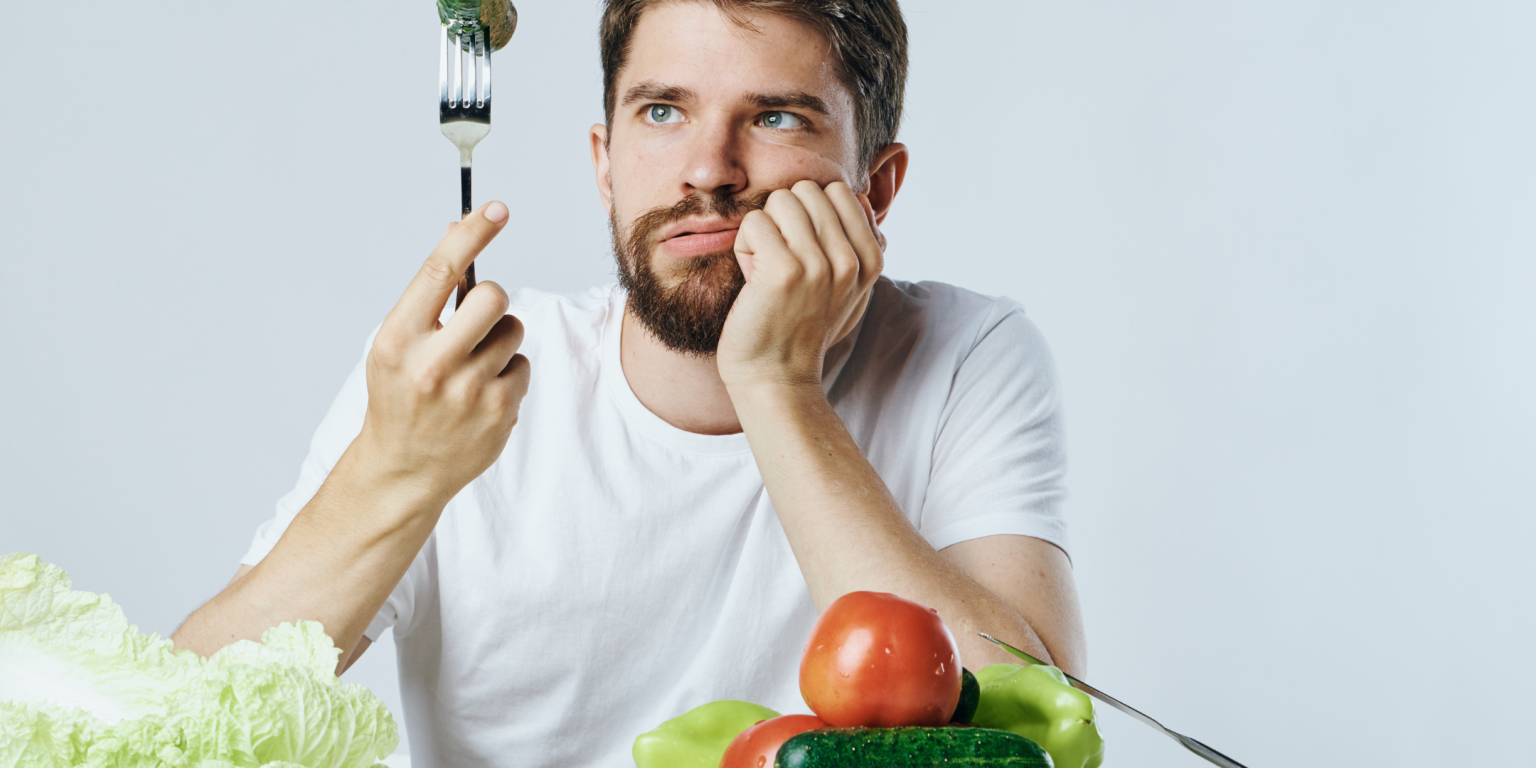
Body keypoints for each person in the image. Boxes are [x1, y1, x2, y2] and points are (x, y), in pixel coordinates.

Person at [172, 1, 1086, 765]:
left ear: (875, 190)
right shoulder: (460, 377)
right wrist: (396, 471)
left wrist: (775, 383)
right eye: (662, 112)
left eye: (775, 117)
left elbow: (1039, 735)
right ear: (605, 163)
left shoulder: (966, 352)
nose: (706, 171)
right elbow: (171, 729)